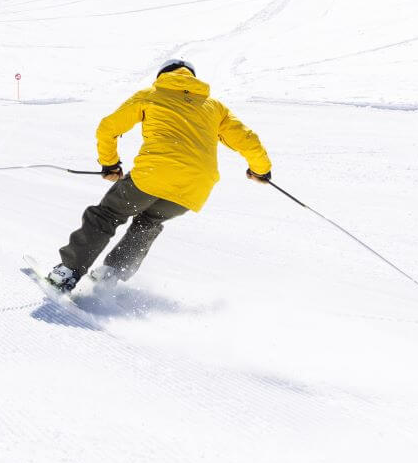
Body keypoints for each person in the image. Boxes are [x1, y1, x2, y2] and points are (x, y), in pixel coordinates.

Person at [45, 59, 272, 292]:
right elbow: (248, 141)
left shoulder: (151, 94)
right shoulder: (214, 106)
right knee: (149, 222)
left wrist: (110, 165)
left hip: (153, 176)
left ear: (162, 75)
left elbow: (108, 128)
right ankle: (111, 276)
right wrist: (261, 170)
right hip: (194, 188)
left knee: (106, 215)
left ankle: (68, 272)